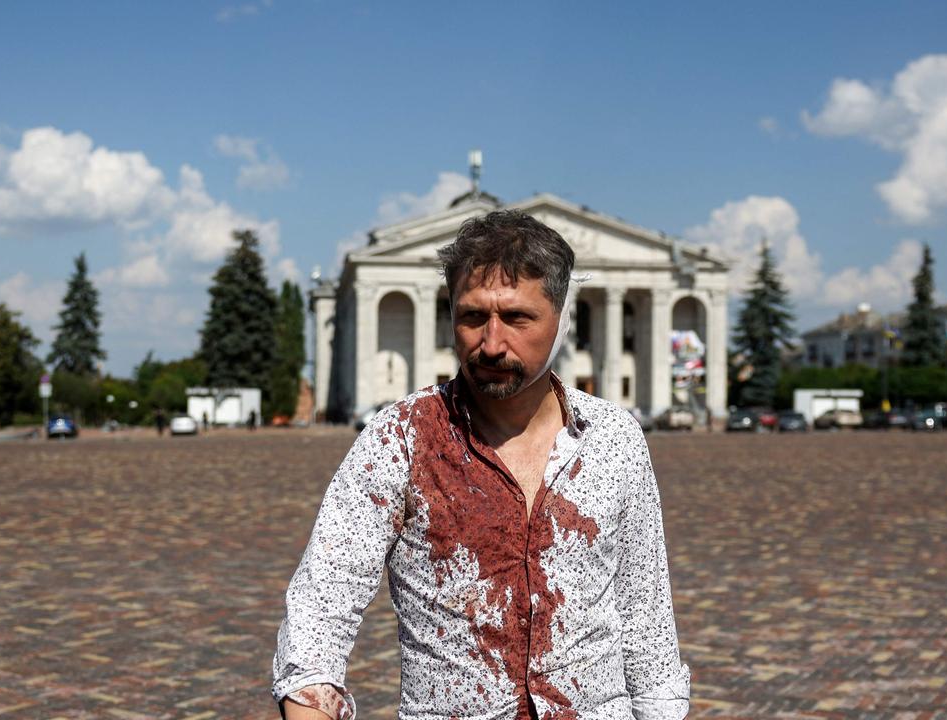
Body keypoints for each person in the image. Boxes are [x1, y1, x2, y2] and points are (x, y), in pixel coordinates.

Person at [273, 210, 690, 720]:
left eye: (517, 318)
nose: (491, 344)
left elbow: (646, 625)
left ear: (559, 319)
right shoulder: (400, 438)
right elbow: (319, 616)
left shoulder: (614, 438)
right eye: (472, 317)